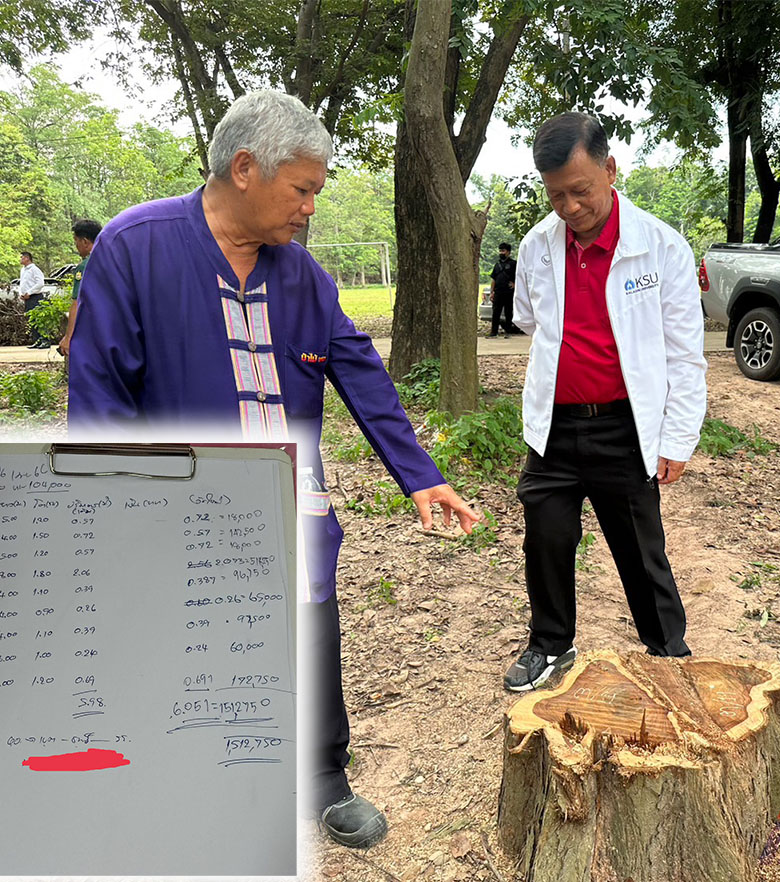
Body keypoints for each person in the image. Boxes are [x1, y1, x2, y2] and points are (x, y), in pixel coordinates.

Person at [67, 91, 479, 850]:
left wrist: (419, 474)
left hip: (288, 508)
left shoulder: (303, 277)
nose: (310, 208)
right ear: (245, 169)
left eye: (316, 191)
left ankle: (323, 778)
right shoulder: (135, 248)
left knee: (309, 632)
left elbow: (360, 373)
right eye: (303, 189)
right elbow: (99, 400)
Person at [503, 112, 707, 692]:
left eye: (581, 190)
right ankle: (550, 645)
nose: (569, 207)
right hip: (554, 428)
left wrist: (677, 438)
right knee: (546, 538)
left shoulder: (660, 247)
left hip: (625, 427)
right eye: (556, 195)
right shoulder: (538, 246)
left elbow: (685, 355)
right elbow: (529, 320)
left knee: (641, 549)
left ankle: (667, 652)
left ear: (610, 170)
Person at [58, 218, 102, 357]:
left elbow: (77, 302)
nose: (76, 245)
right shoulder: (113, 260)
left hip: (94, 328)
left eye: (76, 241)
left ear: (85, 241)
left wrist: (68, 338)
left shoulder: (85, 267)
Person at [487, 242, 517, 338]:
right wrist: (492, 292)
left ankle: (508, 332)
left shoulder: (514, 264)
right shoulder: (497, 265)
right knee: (496, 312)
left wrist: (515, 284)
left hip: (509, 292)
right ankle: (493, 332)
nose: (501, 253)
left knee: (508, 312)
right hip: (498, 292)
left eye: (503, 251)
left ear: (508, 252)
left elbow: (520, 276)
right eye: (500, 251)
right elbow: (493, 279)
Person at [18, 251, 47, 348]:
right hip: (27, 298)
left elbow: (40, 283)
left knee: (39, 319)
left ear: (27, 258)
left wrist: (29, 292)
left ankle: (45, 340)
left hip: (35, 297)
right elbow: (22, 283)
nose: (20, 259)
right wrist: (21, 294)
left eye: (22, 257)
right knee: (32, 320)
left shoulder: (34, 269)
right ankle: (37, 340)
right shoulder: (23, 270)